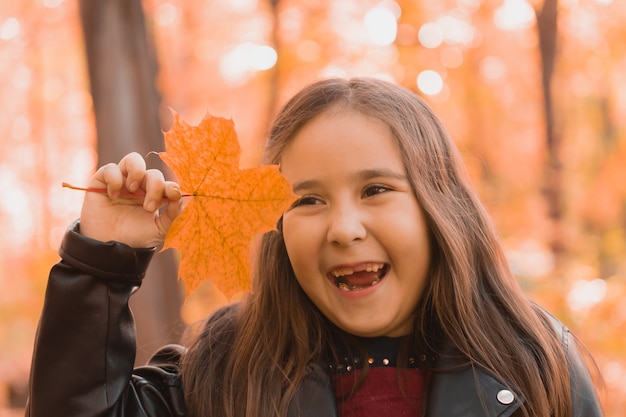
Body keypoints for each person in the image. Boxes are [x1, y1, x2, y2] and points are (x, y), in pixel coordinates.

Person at [26, 77, 603, 417]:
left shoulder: (537, 366)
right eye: (307, 200)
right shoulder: (223, 373)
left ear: (440, 207)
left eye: (376, 189)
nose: (343, 228)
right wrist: (101, 264)